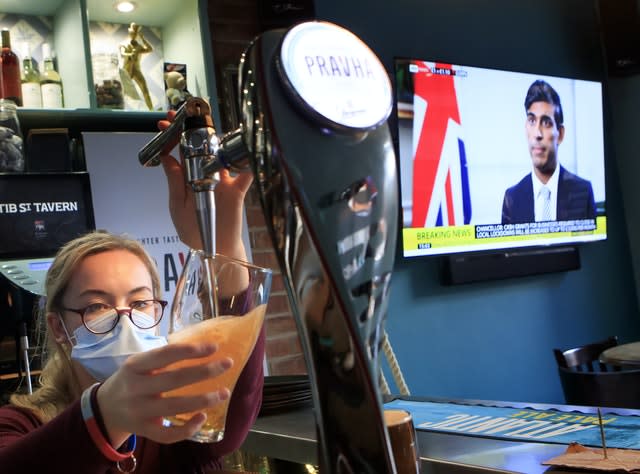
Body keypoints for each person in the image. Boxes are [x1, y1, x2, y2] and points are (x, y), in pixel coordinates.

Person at [0, 111, 260, 473]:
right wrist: (105, 414)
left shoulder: (176, 415)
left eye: (140, 302)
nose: (126, 321)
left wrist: (223, 241)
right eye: (97, 307)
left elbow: (226, 421)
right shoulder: (20, 425)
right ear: (59, 327)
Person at [501, 80, 596, 225]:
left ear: (561, 134)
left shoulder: (582, 191)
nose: (537, 133)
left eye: (546, 123)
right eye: (532, 121)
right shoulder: (512, 198)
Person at [120, 22, 154, 111]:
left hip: (137, 70)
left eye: (135, 33)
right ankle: (120, 109)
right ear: (129, 33)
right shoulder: (124, 44)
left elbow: (150, 49)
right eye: (132, 33)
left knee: (145, 90)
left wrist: (143, 39)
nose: (134, 35)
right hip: (127, 70)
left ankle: (151, 109)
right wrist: (131, 54)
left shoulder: (138, 46)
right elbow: (122, 53)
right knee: (123, 91)